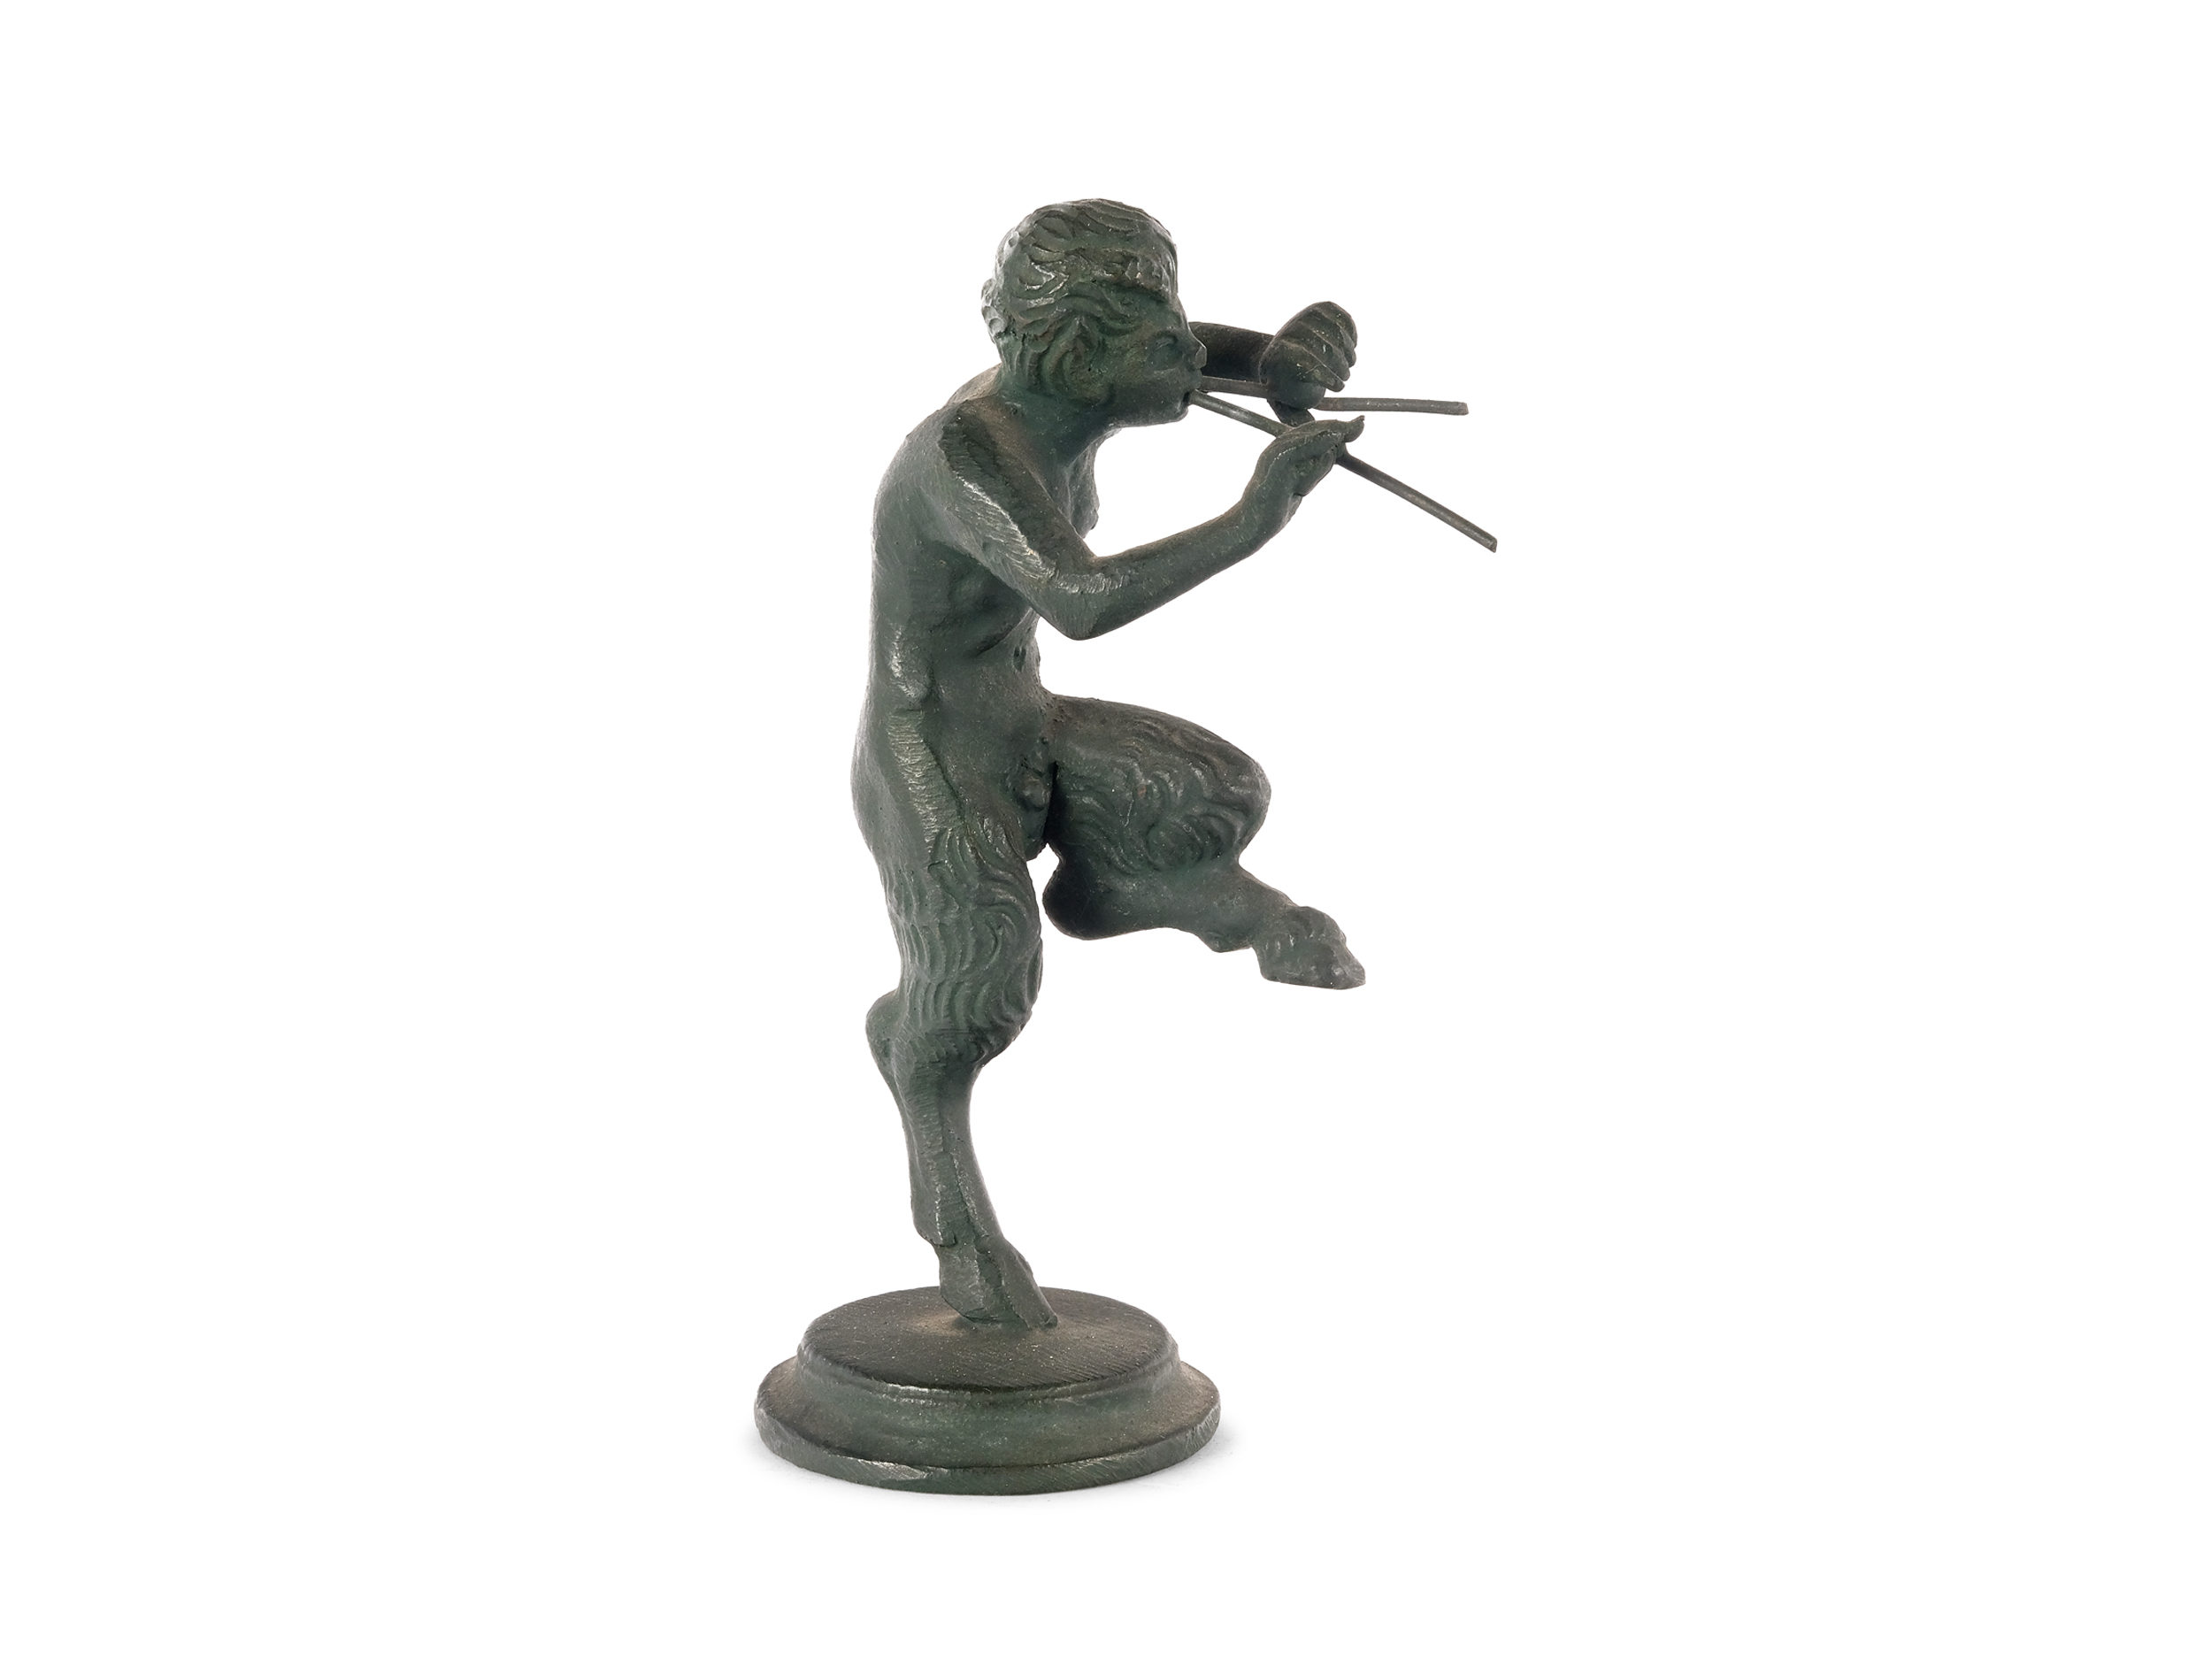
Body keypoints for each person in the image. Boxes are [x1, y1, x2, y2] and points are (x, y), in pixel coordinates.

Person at [856, 200, 1367, 1327]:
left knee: (1209, 790)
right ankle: (939, 1154)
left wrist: (1274, 360)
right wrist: (1255, 517)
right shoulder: (968, 454)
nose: (1190, 355)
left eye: (1179, 326)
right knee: (982, 988)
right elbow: (1080, 601)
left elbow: (1186, 356)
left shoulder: (1059, 395)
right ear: (1081, 363)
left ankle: (1130, 892)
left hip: (1019, 713)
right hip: (932, 749)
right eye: (1160, 341)